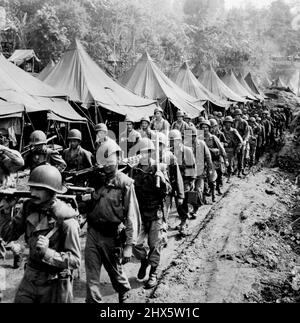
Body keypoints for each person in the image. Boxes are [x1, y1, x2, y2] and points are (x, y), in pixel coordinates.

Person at [0, 165, 81, 303]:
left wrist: (47, 253)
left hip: (54, 282)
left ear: (51, 191)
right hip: (30, 277)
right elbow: (8, 235)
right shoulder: (28, 207)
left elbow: (75, 261)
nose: (33, 192)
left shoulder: (66, 219)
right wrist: (6, 211)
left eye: (39, 189)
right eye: (32, 187)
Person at [83, 141, 141, 303]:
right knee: (91, 276)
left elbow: (132, 216)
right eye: (104, 164)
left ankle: (123, 290)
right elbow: (87, 206)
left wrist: (129, 245)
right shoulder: (97, 180)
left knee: (115, 271)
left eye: (110, 163)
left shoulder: (125, 183)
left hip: (111, 235)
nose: (107, 167)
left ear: (118, 159)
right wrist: (87, 199)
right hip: (93, 232)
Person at [131, 138, 170, 288]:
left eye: (146, 152)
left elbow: (166, 191)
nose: (143, 155)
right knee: (134, 244)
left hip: (155, 212)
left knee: (155, 245)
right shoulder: (135, 169)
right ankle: (143, 261)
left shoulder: (157, 168)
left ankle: (153, 273)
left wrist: (160, 178)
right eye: (141, 152)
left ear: (151, 152)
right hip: (140, 213)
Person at [0, 144, 24, 287]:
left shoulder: (4, 160)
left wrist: (3, 148)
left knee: (2, 237)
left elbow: (20, 162)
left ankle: (16, 249)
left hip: (3, 205)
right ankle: (16, 248)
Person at [169, 129, 196, 235]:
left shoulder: (187, 150)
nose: (172, 143)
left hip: (185, 180)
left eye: (174, 140)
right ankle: (182, 219)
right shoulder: (170, 152)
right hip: (175, 181)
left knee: (182, 202)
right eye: (171, 141)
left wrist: (192, 181)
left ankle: (184, 222)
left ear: (179, 140)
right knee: (177, 202)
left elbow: (192, 166)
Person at [200, 120, 226, 200]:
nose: (204, 129)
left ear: (209, 128)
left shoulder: (213, 137)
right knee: (203, 179)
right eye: (203, 127)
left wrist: (225, 159)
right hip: (202, 161)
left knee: (212, 178)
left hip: (213, 161)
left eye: (206, 127)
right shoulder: (199, 137)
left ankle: (213, 194)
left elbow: (221, 149)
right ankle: (203, 197)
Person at [222, 116, 243, 183]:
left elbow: (240, 140)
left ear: (231, 123)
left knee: (230, 163)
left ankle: (229, 177)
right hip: (224, 149)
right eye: (226, 123)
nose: (227, 124)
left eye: (229, 123)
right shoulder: (222, 130)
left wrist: (238, 147)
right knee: (223, 163)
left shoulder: (234, 131)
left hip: (231, 149)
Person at [233, 109, 249, 177]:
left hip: (241, 142)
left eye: (238, 115)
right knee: (234, 156)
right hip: (234, 142)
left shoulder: (244, 122)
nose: (236, 116)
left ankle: (240, 170)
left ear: (240, 115)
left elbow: (246, 133)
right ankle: (234, 169)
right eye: (235, 115)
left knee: (241, 157)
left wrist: (244, 141)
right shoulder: (233, 122)